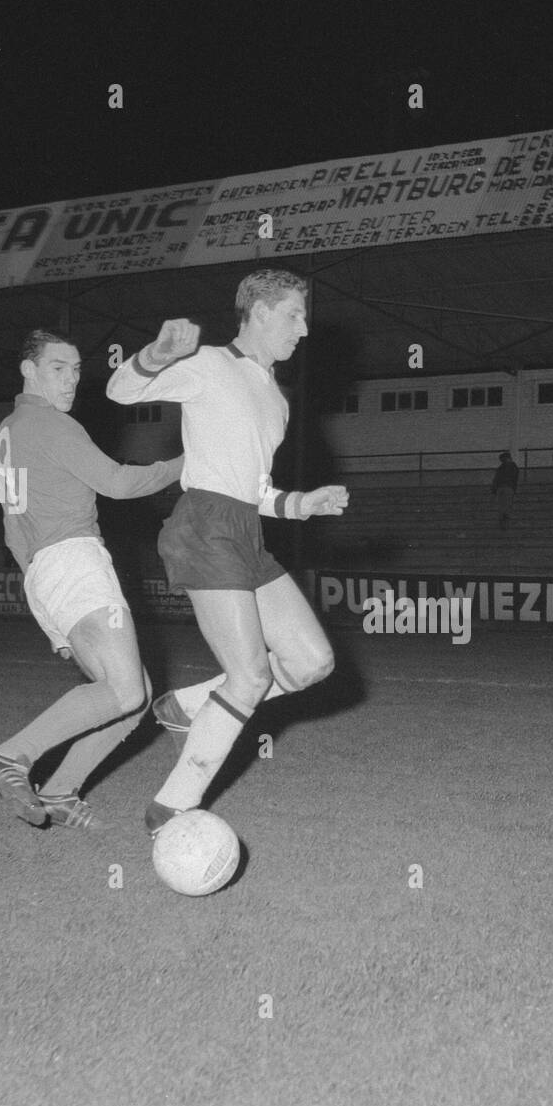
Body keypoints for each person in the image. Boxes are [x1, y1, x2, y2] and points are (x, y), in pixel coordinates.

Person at [106, 268, 348, 836]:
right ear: (259, 312)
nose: (304, 329)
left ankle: (185, 705)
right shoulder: (211, 365)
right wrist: (158, 353)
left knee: (313, 663)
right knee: (248, 679)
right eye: (294, 315)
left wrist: (300, 504)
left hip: (245, 531)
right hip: (204, 525)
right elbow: (122, 391)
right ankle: (170, 810)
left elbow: (255, 489)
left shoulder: (277, 401)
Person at [0, 329, 183, 831]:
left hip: (44, 571)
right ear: (29, 370)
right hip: (76, 561)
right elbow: (119, 483)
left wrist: (48, 616)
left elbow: (12, 529)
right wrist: (185, 464)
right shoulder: (51, 425)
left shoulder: (9, 429)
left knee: (134, 696)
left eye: (76, 370)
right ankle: (11, 755)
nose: (70, 380)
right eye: (58, 368)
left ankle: (61, 789)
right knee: (127, 692)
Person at [490, 451, 519, 530]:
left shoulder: (501, 468)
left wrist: (493, 490)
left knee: (502, 506)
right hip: (508, 487)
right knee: (506, 505)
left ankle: (503, 522)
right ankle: (505, 523)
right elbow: (515, 479)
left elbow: (496, 479)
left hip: (501, 488)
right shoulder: (513, 467)